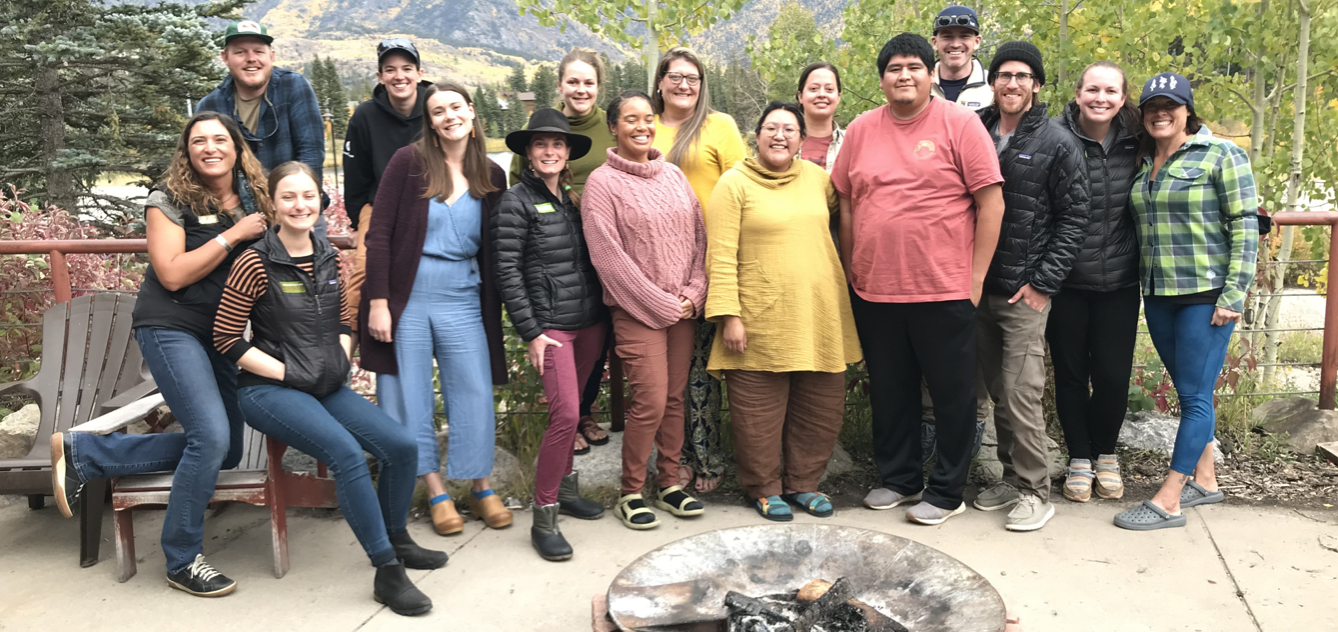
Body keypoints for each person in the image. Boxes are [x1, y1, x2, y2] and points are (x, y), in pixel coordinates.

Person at [49, 112, 270, 596]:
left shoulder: (256, 197)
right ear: (187, 150)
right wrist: (232, 235)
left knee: (225, 448)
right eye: (198, 141)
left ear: (236, 147)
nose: (210, 148)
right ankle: (183, 558)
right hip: (170, 326)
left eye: (219, 139)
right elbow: (170, 273)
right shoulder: (168, 199)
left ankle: (85, 451)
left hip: (223, 334)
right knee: (209, 437)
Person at [216, 162, 444, 615]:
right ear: (273, 204)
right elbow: (225, 338)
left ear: (321, 201)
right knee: (344, 452)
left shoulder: (327, 255)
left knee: (400, 445)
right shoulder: (254, 261)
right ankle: (386, 571)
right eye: (288, 197)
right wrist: (289, 374)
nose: (300, 205)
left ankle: (395, 538)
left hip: (324, 384)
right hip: (268, 390)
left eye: (308, 195)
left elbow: (343, 320)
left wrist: (338, 359)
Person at [833, 33, 1004, 525]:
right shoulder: (863, 130)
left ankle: (949, 491)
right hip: (876, 289)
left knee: (953, 395)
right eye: (893, 68)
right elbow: (846, 201)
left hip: (944, 287)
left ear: (931, 74)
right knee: (890, 389)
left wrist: (975, 281)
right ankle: (900, 479)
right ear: (882, 78)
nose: (903, 75)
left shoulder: (960, 124)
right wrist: (852, 269)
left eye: (913, 67)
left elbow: (991, 204)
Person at [360, 82, 513, 536]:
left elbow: (497, 247)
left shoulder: (490, 174)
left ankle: (480, 486)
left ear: (471, 111)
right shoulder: (409, 164)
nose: (449, 116)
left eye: (455, 107)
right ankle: (435, 490)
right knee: (409, 396)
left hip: (464, 294)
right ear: (430, 122)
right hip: (408, 296)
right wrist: (379, 303)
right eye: (438, 111)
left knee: (473, 389)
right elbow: (380, 234)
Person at [705, 101, 862, 522]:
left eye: (789, 130)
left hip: (818, 316)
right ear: (755, 135)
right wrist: (728, 316)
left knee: (821, 407)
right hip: (757, 319)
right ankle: (764, 488)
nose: (780, 136)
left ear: (800, 139)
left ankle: (804, 484)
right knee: (757, 413)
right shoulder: (733, 184)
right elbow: (719, 255)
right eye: (771, 128)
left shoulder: (817, 179)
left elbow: (851, 212)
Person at [1114, 72, 1257, 531]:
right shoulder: (1143, 160)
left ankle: (1171, 497)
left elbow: (1246, 227)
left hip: (1206, 297)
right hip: (1157, 295)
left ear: (1187, 110)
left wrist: (1233, 296)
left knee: (1195, 397)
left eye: (1170, 105)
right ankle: (1207, 480)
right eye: (1152, 105)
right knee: (1190, 391)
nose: (1160, 113)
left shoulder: (1222, 154)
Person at [970, 42, 1089, 532]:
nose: (1012, 83)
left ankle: (1036, 490)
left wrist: (1043, 284)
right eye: (1003, 75)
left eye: (1022, 76)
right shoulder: (974, 128)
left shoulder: (1058, 141)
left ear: (1036, 85)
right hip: (978, 287)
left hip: (1024, 292)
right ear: (992, 81)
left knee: (1021, 392)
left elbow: (1074, 217)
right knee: (996, 389)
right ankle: (1010, 476)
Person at [583, 90, 708, 531]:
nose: (642, 126)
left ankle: (669, 483)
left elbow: (698, 239)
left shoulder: (673, 175)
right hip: (638, 312)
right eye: (630, 120)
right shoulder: (602, 184)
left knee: (675, 399)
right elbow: (608, 257)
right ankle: (631, 491)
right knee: (650, 401)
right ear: (613, 127)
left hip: (683, 308)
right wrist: (660, 304)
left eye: (648, 118)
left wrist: (695, 293)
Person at [494, 109, 606, 561]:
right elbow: (506, 271)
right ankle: (544, 516)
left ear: (568, 153)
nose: (550, 151)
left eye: (558, 144)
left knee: (576, 414)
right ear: (528, 152)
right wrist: (532, 332)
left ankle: (567, 488)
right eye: (541, 144)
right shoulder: (516, 202)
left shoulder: (574, 201)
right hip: (552, 329)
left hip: (591, 322)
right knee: (564, 416)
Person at [509, 47, 618, 456]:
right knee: (558, 335)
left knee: (598, 333)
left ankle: (585, 411)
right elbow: (519, 189)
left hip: (604, 250)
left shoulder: (610, 129)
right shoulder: (536, 132)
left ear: (598, 86)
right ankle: (566, 417)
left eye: (588, 82)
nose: (580, 89)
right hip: (554, 251)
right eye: (572, 81)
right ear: (559, 85)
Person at [651, 46, 747, 495]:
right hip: (654, 267)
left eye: (693, 77)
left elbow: (741, 186)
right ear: (660, 81)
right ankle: (674, 458)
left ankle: (704, 454)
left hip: (709, 263)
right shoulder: (644, 124)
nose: (684, 84)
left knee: (701, 371)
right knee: (664, 374)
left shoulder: (719, 126)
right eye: (676, 76)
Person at [1048, 61, 1144, 503]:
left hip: (1120, 282)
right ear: (1078, 91)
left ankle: (1106, 453)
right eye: (1092, 89)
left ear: (1122, 98)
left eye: (1110, 91)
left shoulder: (1138, 140)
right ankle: (1080, 458)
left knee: (1112, 377)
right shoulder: (1055, 136)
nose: (1100, 98)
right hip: (1066, 280)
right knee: (1069, 376)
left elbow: (1186, 142)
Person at [196, 20, 328, 238]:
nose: (251, 59)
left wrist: (304, 210)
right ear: (225, 58)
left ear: (271, 56)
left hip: (297, 211)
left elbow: (311, 153)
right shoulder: (210, 106)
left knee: (309, 270)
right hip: (238, 220)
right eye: (240, 52)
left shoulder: (294, 86)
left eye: (259, 51)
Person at [343, 38, 432, 338]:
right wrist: (358, 221)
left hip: (432, 201)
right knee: (365, 271)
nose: (399, 76)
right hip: (379, 206)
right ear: (380, 76)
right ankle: (345, 354)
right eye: (390, 69)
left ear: (420, 73)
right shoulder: (365, 116)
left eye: (407, 68)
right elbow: (355, 176)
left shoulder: (437, 106)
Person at [929, 6, 993, 110]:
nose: (955, 44)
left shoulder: (993, 86)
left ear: (977, 42)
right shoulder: (921, 84)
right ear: (935, 42)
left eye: (964, 36)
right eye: (947, 36)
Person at [796, 63, 845, 172]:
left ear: (838, 97)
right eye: (814, 89)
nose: (822, 94)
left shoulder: (851, 142)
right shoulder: (784, 141)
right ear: (800, 96)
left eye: (829, 89)